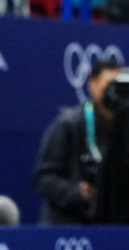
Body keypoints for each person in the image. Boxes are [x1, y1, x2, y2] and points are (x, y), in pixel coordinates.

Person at [32, 57, 121, 224]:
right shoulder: (68, 124)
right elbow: (43, 177)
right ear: (92, 85)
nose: (113, 94)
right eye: (108, 87)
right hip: (66, 226)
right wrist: (75, 192)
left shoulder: (127, 129)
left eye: (118, 88)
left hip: (110, 227)